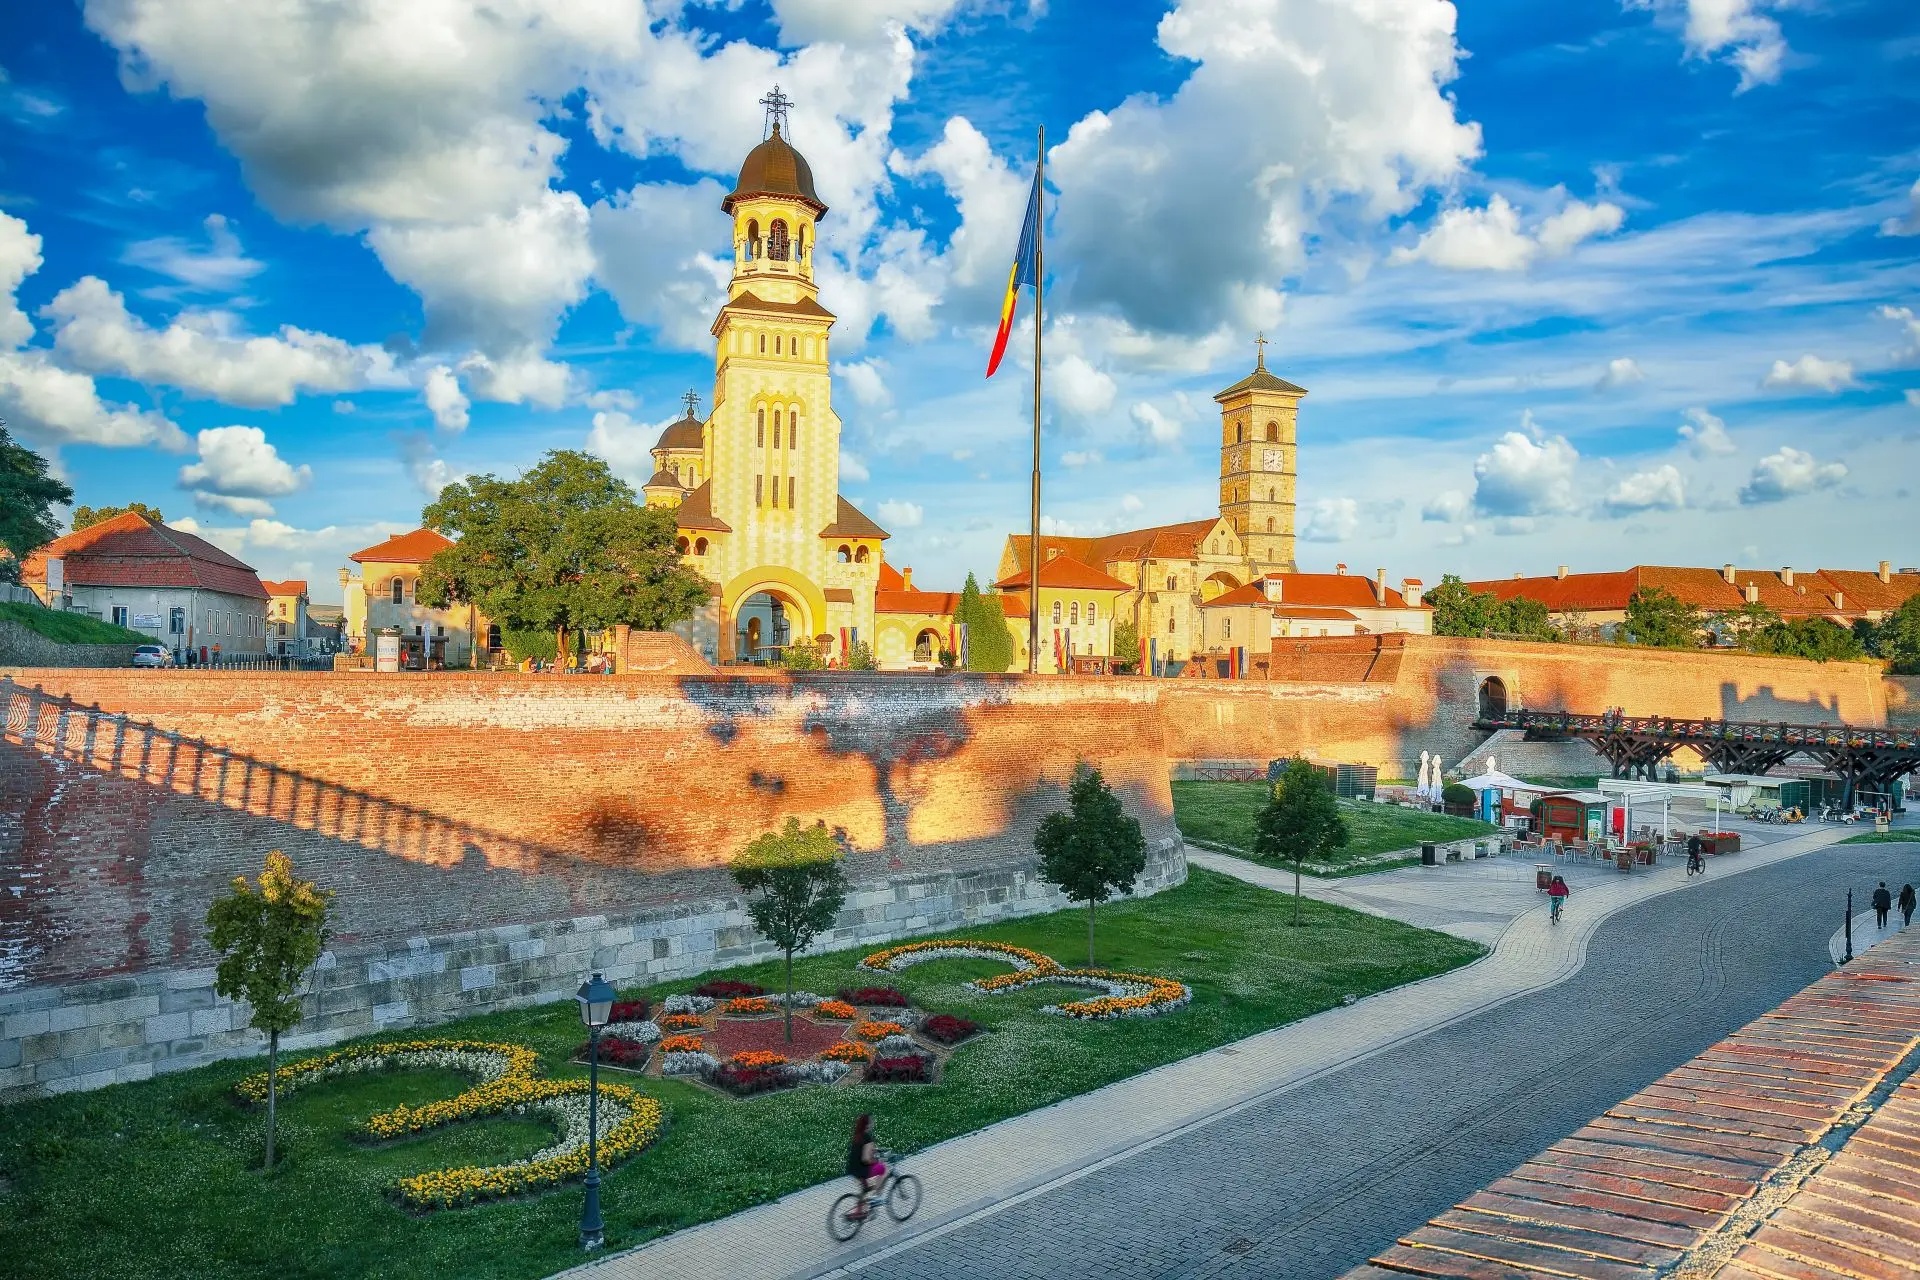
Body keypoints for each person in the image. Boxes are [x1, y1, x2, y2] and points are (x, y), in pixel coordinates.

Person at [846, 1113, 886, 1219]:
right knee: (882, 1168)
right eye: (871, 1121)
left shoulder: (857, 1135)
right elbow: (866, 1159)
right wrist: (876, 1161)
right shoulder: (867, 1137)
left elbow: (863, 1150)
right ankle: (876, 1197)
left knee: (866, 1188)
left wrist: (875, 1150)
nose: (873, 1123)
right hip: (862, 1169)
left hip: (852, 1168)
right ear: (867, 1124)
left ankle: (859, 1212)